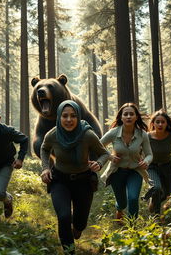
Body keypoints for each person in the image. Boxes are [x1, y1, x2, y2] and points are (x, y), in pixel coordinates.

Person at [40, 100, 109, 254]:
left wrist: (99, 163)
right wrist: (45, 168)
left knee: (80, 222)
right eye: (65, 116)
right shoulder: (53, 134)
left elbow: (104, 153)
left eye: (73, 116)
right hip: (60, 180)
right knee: (64, 216)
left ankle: (77, 228)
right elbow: (44, 148)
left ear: (78, 117)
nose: (69, 120)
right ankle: (69, 251)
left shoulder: (88, 135)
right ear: (59, 117)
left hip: (83, 181)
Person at [100, 103, 153, 220]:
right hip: (117, 171)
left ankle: (132, 227)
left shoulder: (142, 134)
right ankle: (119, 209)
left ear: (136, 117)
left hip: (135, 171)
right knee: (122, 202)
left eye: (131, 114)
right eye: (126, 114)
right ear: (121, 117)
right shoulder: (114, 132)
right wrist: (110, 156)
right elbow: (98, 145)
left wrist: (146, 161)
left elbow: (149, 154)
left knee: (133, 198)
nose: (128, 116)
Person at [143, 109, 171, 215]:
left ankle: (153, 201)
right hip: (152, 167)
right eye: (158, 122)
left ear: (167, 124)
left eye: (163, 122)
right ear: (153, 123)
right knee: (156, 187)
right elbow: (140, 148)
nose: (160, 124)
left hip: (167, 167)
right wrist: (141, 159)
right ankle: (156, 216)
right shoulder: (147, 136)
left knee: (167, 194)